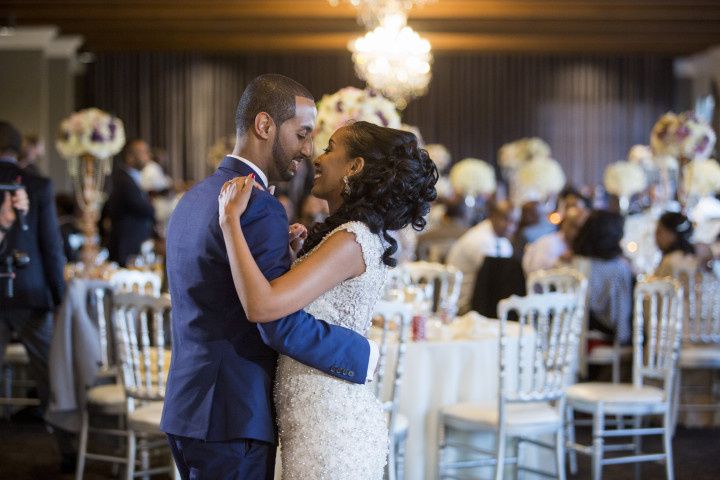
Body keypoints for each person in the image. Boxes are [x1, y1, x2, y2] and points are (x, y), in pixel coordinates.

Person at [161, 74, 392, 479]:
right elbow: (273, 319)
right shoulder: (260, 207)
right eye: (302, 134)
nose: (307, 150)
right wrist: (362, 354)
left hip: (186, 406)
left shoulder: (193, 198)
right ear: (265, 125)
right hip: (234, 413)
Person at [218, 120, 437, 479]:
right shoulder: (346, 235)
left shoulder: (351, 239)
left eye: (330, 147)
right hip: (315, 418)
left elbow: (262, 306)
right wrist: (293, 262)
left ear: (355, 166)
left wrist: (230, 223)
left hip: (331, 427)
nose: (317, 157)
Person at [0, 120, 72, 471]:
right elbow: (51, 247)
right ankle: (68, 449)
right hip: (30, 293)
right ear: (18, 148)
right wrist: (60, 297)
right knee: (48, 374)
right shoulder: (38, 184)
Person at [571, 210, 633, 344]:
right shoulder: (619, 268)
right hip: (607, 331)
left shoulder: (577, 262)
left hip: (576, 329)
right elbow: (621, 311)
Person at [446, 199, 516, 313]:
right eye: (506, 220)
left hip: (482, 301)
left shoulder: (503, 242)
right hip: (463, 307)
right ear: (493, 216)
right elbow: (495, 283)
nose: (511, 227)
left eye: (514, 222)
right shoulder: (480, 240)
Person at [106, 139, 155, 266]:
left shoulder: (131, 177)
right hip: (126, 247)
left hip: (132, 245)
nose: (148, 155)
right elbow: (145, 209)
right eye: (143, 152)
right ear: (130, 157)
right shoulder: (123, 180)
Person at [522, 206, 588, 275]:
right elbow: (535, 273)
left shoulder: (584, 247)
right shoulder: (549, 243)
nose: (578, 232)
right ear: (564, 223)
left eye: (582, 228)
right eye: (574, 226)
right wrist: (559, 261)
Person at [654, 211, 696, 278]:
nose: (655, 237)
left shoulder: (670, 262)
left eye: (659, 232)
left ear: (672, 235)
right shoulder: (692, 256)